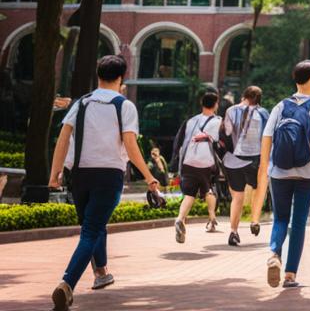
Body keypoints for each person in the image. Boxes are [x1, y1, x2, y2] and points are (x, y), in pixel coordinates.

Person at [47, 55, 161, 311]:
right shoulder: (124, 105)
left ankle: (101, 272)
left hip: (80, 175)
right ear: (121, 78)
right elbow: (130, 146)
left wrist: (54, 173)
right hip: (109, 175)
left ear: (98, 75)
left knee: (93, 224)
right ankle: (66, 284)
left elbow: (63, 138)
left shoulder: (81, 103)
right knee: (91, 230)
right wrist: (148, 176)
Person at [259, 60, 310, 288]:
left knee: (280, 218)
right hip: (306, 174)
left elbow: (267, 138)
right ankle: (290, 275)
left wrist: (267, 167)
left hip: (279, 172)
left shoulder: (280, 106)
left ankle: (274, 254)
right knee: (298, 223)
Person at [174, 91, 223, 243]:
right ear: (215, 105)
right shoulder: (218, 121)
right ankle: (212, 217)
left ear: (202, 104)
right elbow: (220, 142)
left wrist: (174, 163)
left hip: (189, 161)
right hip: (206, 162)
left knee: (189, 194)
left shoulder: (191, 121)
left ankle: (180, 218)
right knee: (209, 189)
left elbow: (179, 141)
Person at [222, 85, 268, 246]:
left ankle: (233, 231)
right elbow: (267, 138)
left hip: (234, 160)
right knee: (259, 188)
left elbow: (226, 133)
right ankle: (254, 221)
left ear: (244, 95)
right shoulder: (263, 113)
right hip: (255, 159)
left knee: (237, 196)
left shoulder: (231, 110)